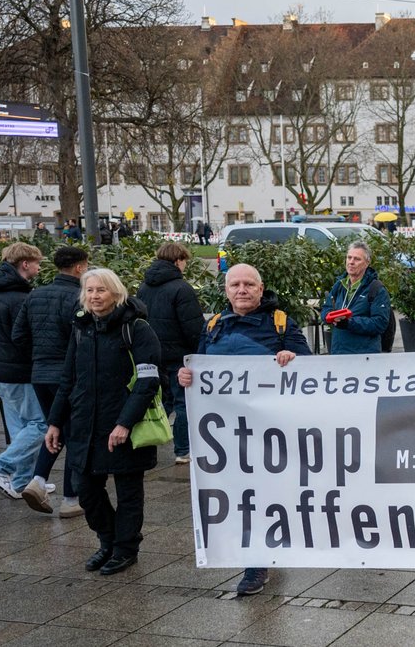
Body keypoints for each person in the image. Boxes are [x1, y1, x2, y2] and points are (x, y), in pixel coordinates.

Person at [176, 263, 312, 595]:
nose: (242, 290)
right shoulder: (213, 325)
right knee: (240, 496)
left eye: (249, 284)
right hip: (225, 433)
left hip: (269, 431)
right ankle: (261, 555)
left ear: (261, 289)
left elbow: (311, 367)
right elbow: (199, 366)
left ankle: (256, 565)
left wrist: (291, 357)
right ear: (226, 291)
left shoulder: (280, 324)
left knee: (261, 495)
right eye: (235, 284)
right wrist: (184, 378)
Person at [44, 268, 162, 576]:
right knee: (87, 491)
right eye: (90, 290)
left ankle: (125, 548)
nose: (95, 296)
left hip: (125, 425)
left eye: (101, 290)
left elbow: (148, 382)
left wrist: (125, 422)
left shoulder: (137, 328)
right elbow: (68, 378)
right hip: (85, 423)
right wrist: (55, 421)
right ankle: (107, 541)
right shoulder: (81, 327)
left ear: (116, 293)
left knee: (128, 492)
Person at [11, 246, 87, 516]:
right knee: (74, 433)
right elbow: (84, 340)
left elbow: (18, 335)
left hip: (39, 374)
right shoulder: (79, 297)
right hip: (68, 377)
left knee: (55, 429)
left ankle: (38, 480)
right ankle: (70, 497)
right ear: (79, 268)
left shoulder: (35, 295)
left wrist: (39, 356)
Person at [135, 242, 205, 465]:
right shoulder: (181, 288)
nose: (185, 265)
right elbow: (192, 326)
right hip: (178, 354)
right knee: (183, 402)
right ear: (178, 261)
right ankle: (183, 449)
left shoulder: (144, 287)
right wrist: (199, 351)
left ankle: (143, 436)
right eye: (185, 261)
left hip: (152, 353)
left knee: (159, 399)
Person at [0, 242, 46, 499]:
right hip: (20, 372)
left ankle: (21, 482)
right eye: (37, 263)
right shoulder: (21, 299)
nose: (38, 267)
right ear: (25, 264)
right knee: (41, 424)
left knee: (20, 428)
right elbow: (25, 339)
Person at [320, 241, 392, 355]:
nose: (351, 262)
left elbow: (380, 323)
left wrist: (349, 323)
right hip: (338, 353)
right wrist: (328, 317)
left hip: (364, 357)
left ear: (367, 263)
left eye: (357, 259)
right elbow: (326, 308)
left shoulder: (376, 289)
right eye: (349, 258)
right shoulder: (339, 285)